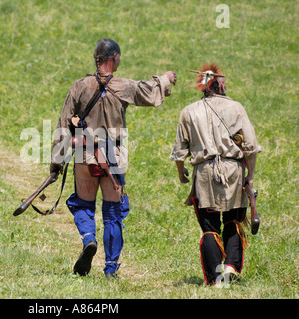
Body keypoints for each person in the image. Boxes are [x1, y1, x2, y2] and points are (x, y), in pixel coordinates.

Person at [51, 39, 176, 279]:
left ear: (96, 58)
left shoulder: (79, 86)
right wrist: (166, 78)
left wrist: (56, 163)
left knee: (82, 205)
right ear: (115, 58)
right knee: (113, 214)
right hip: (114, 158)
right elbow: (149, 91)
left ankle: (89, 239)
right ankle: (110, 270)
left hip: (84, 156)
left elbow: (63, 125)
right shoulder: (124, 86)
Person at [170, 64, 261, 285]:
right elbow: (250, 147)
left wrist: (181, 172)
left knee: (209, 227)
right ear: (219, 85)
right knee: (233, 220)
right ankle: (230, 267)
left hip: (203, 174)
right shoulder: (237, 108)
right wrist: (250, 175)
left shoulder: (189, 111)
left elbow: (180, 151)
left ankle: (214, 279)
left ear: (203, 86)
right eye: (224, 83)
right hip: (234, 172)